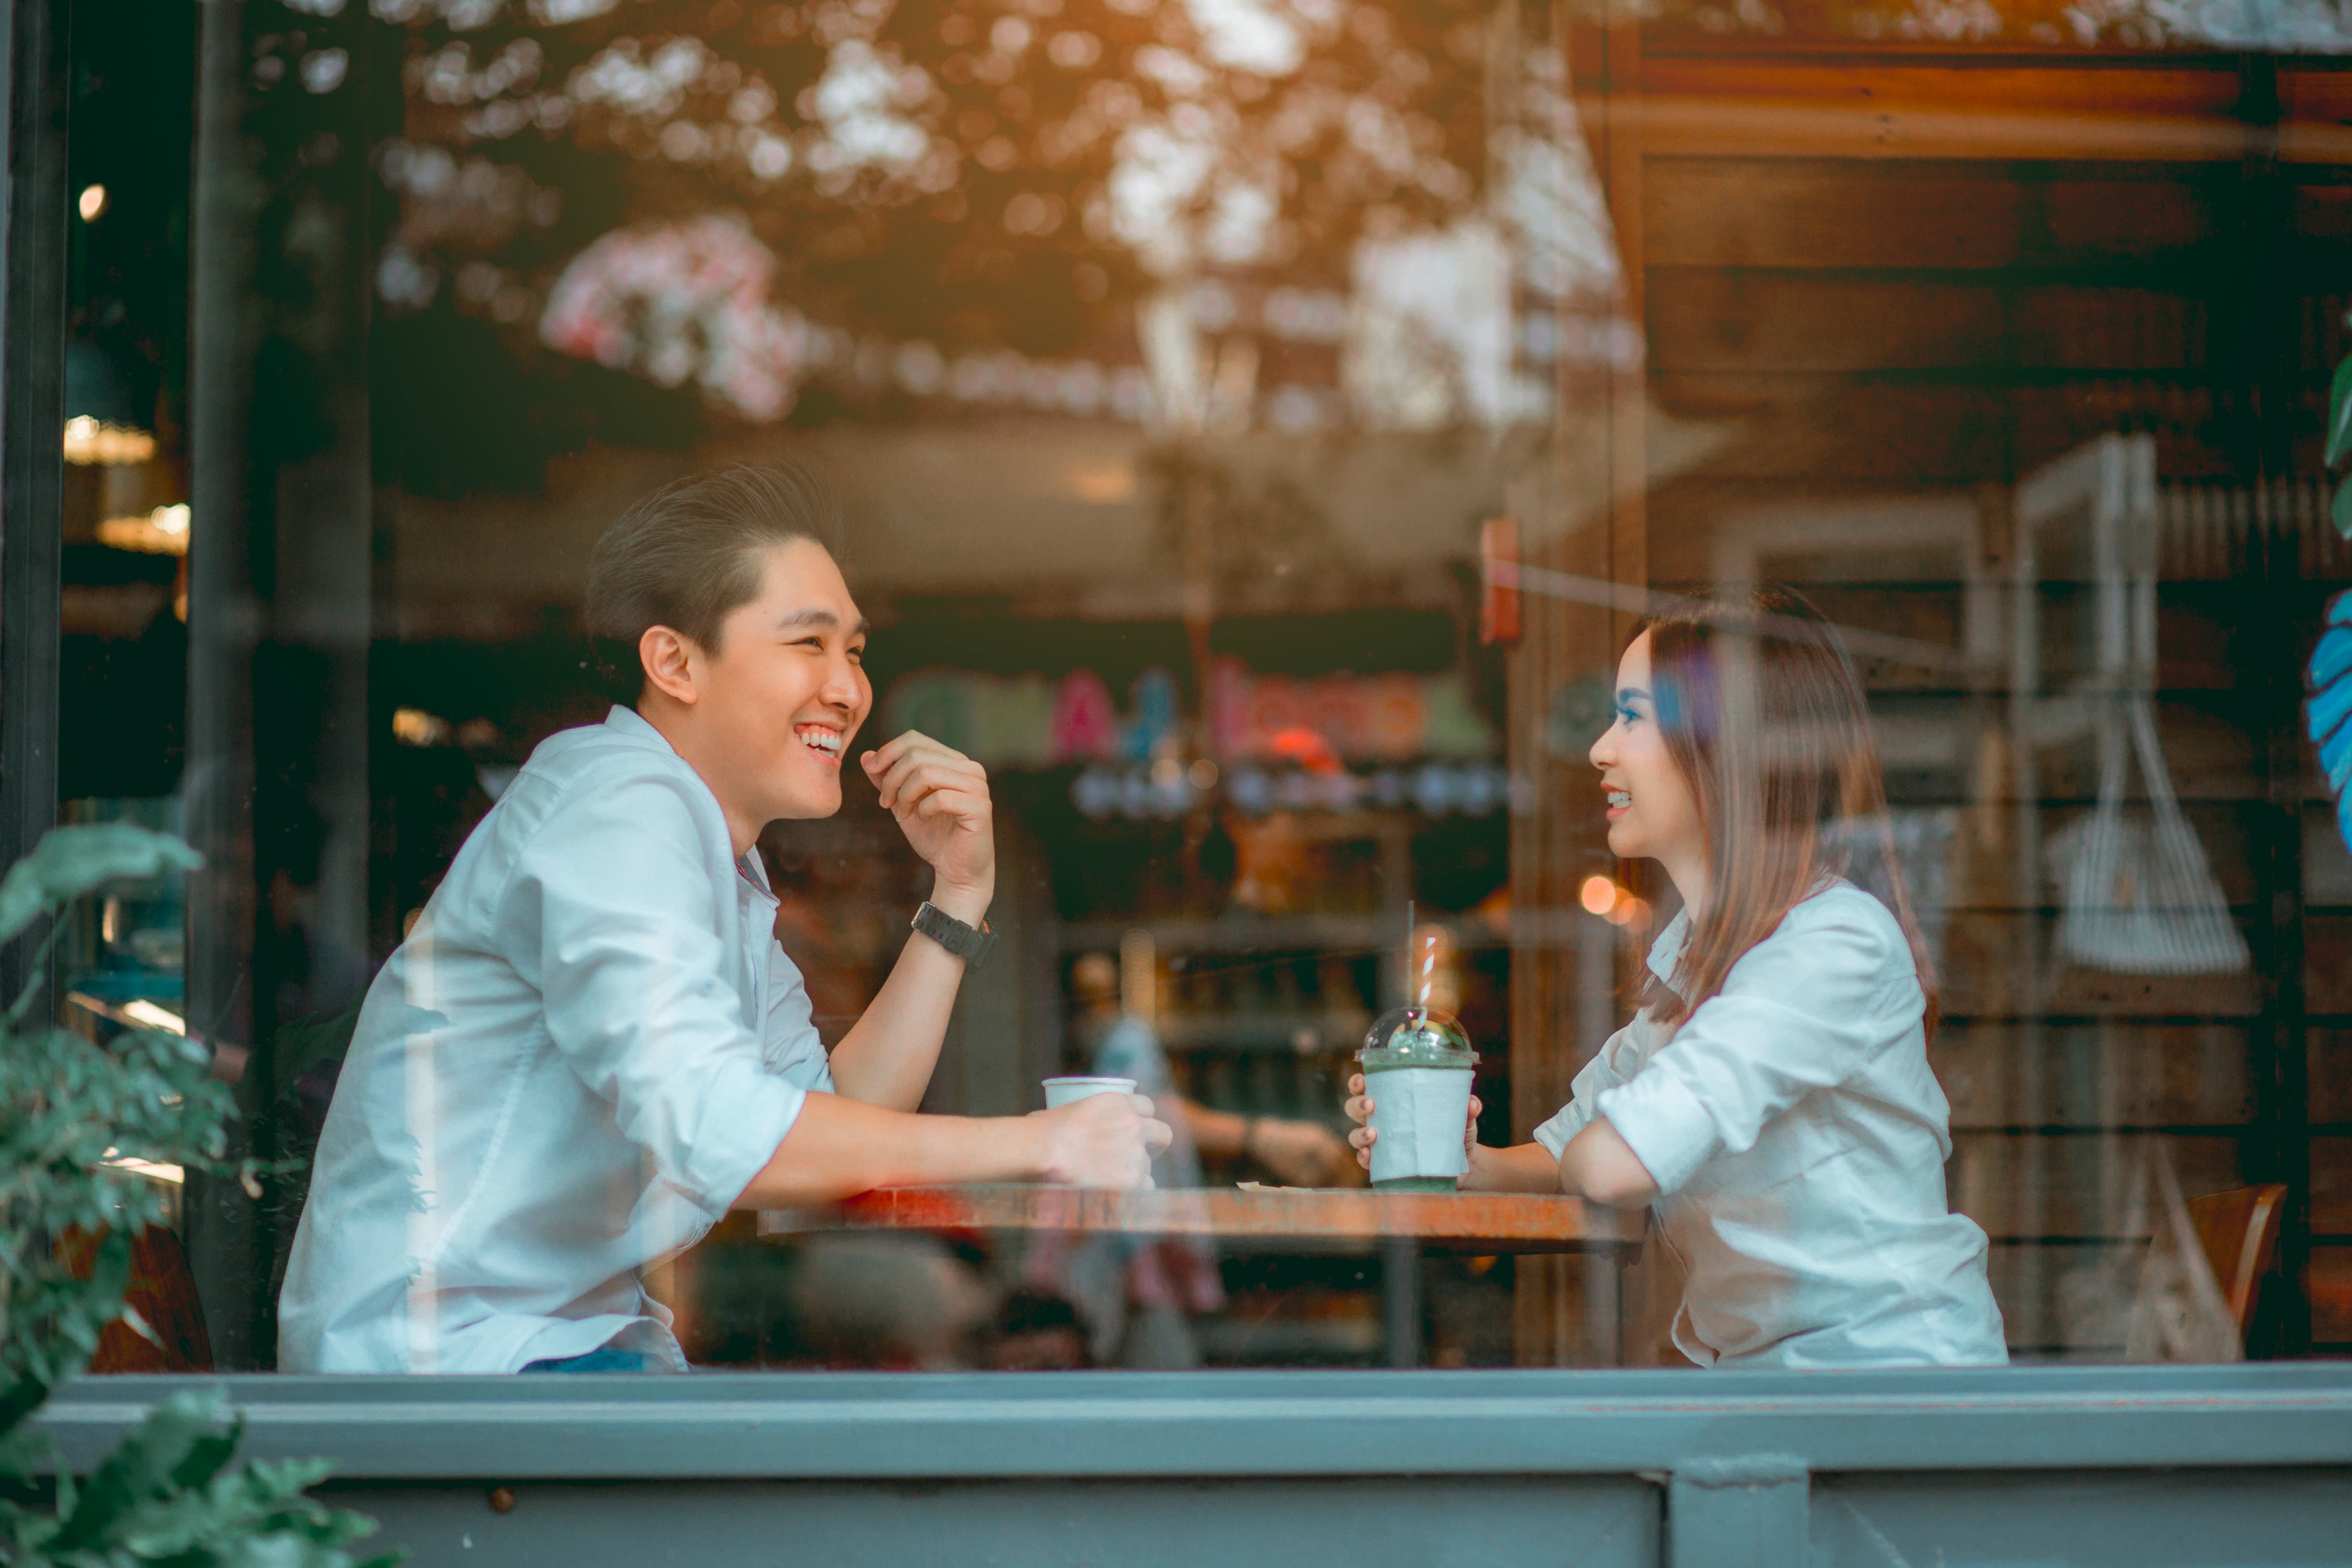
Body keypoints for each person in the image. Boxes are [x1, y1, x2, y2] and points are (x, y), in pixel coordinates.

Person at [278, 464, 1169, 1374]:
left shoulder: (708, 851)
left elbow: (829, 1120)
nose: (847, 690)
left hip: (541, 1367)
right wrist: (1041, 1141)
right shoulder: (617, 804)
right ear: (674, 662)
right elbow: (727, 1135)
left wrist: (957, 897)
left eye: (854, 651)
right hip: (443, 1388)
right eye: (807, 644)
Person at [1348, 590, 2005, 1370]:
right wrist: (1457, 1157)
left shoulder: (1832, 946)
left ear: (1721, 745)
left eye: (1631, 717)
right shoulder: (1692, 954)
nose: (1599, 749)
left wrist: (1606, 1146)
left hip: (1896, 1395)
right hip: (1788, 1392)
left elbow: (1615, 1163)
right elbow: (1573, 1152)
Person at [1023, 954, 1354, 1365]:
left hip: (1123, 1256)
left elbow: (1144, 1109)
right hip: (1103, 1256)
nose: (1097, 1008)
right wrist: (1258, 1136)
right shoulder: (1115, 1044)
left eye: (1103, 992)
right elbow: (1141, 1109)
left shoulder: (1123, 1042)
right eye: (1086, 994)